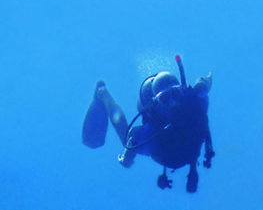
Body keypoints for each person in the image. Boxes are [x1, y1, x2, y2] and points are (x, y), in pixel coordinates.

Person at [82, 55, 215, 192]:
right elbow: (132, 140)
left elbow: (203, 86)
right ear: (156, 103)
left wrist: (207, 79)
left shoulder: (197, 104)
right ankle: (104, 95)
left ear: (181, 92)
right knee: (126, 139)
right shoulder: (148, 134)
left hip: (183, 153)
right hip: (160, 150)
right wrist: (126, 158)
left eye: (175, 94)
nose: (172, 103)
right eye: (165, 99)